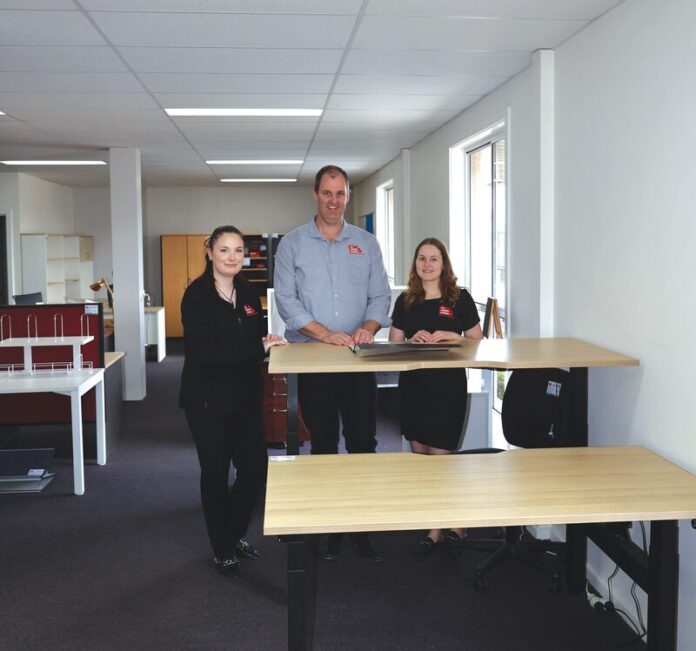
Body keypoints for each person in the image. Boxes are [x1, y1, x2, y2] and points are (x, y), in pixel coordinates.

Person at [273, 164, 391, 562]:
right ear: (315, 195)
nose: (334, 200)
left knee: (363, 443)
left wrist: (368, 328)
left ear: (348, 196)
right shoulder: (293, 244)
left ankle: (361, 524)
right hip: (313, 359)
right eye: (327, 192)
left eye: (340, 193)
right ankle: (328, 523)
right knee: (323, 443)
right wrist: (325, 334)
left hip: (357, 359)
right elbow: (286, 301)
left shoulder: (366, 243)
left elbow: (380, 296)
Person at [179, 225, 286, 577]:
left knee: (255, 469)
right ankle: (222, 548)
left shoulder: (248, 291)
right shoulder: (196, 296)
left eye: (238, 250)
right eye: (224, 250)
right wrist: (258, 348)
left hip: (244, 396)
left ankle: (233, 532)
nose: (232, 257)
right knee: (215, 474)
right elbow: (207, 355)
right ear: (209, 252)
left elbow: (254, 339)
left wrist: (268, 342)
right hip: (207, 401)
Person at [389, 237, 483, 558]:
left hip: (447, 388)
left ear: (444, 264)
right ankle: (437, 522)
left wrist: (454, 336)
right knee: (422, 462)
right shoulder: (406, 300)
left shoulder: (460, 298)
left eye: (433, 259)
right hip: (414, 387)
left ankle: (445, 524)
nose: (427, 264)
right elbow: (393, 343)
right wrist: (410, 340)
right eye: (422, 259)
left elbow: (478, 341)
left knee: (441, 460)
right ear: (415, 264)